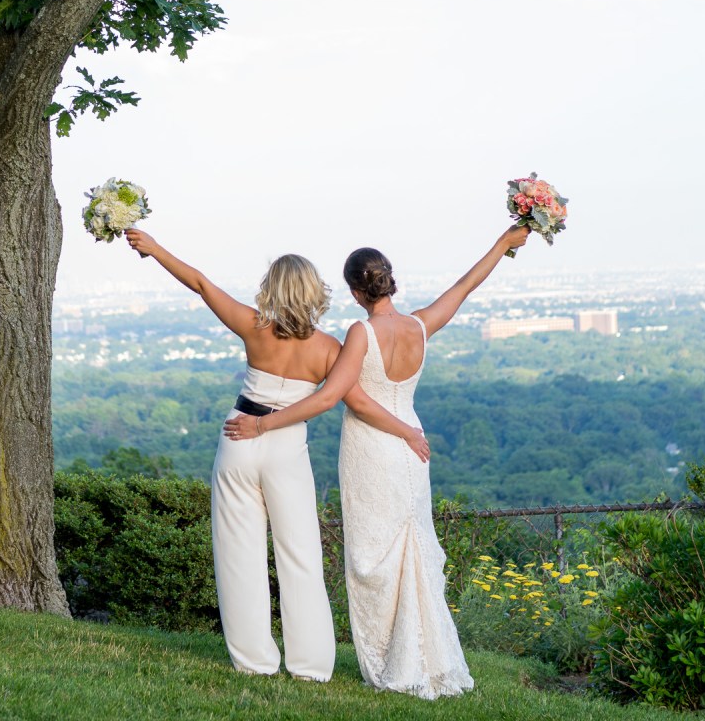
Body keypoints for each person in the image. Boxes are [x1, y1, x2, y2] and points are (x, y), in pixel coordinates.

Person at [225, 225, 529, 698]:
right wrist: (503, 244)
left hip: (372, 448)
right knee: (410, 547)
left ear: (354, 291)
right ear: (390, 281)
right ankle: (425, 656)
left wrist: (262, 424)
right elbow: (466, 286)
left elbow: (337, 398)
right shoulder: (420, 326)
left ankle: (392, 659)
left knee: (372, 558)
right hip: (413, 449)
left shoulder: (359, 333)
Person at [125, 229, 429, 681]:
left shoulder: (254, 327)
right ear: (313, 292)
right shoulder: (330, 348)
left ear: (272, 288)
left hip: (239, 437)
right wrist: (407, 431)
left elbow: (201, 283)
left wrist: (153, 249)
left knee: (238, 554)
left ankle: (254, 662)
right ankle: (310, 666)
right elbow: (357, 402)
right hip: (286, 447)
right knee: (300, 555)